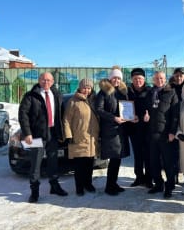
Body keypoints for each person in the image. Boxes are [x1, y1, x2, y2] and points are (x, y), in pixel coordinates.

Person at [18, 72, 68, 203]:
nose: (46, 82)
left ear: (52, 82)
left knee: (53, 161)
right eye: (44, 80)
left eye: (49, 80)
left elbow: (61, 114)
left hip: (53, 133)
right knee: (35, 164)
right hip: (36, 135)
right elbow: (23, 115)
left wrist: (63, 132)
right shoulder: (31, 96)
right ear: (39, 80)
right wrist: (27, 133)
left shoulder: (56, 94)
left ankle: (54, 186)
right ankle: (34, 192)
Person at [95, 67, 131, 196]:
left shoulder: (122, 91)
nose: (116, 80)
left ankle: (113, 183)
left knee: (118, 158)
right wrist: (113, 118)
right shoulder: (104, 92)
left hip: (121, 130)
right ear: (110, 78)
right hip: (110, 130)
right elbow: (98, 109)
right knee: (114, 158)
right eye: (114, 78)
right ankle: (109, 186)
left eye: (119, 78)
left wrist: (131, 117)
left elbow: (127, 108)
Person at [144, 71, 179, 199]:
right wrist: (145, 116)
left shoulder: (171, 93)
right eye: (157, 78)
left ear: (165, 80)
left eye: (162, 78)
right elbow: (145, 110)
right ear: (153, 80)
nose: (159, 80)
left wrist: (172, 132)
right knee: (154, 162)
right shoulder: (149, 93)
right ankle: (158, 184)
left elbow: (175, 115)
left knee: (168, 162)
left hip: (166, 134)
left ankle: (169, 186)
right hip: (152, 133)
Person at [63, 78, 99, 196]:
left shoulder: (94, 100)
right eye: (84, 87)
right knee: (79, 166)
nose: (86, 90)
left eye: (89, 88)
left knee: (90, 164)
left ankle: (88, 184)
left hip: (92, 138)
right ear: (79, 88)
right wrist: (68, 135)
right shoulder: (73, 101)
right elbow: (67, 120)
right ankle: (79, 187)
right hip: (79, 137)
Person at [127, 67, 153, 188]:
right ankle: (138, 177)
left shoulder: (150, 91)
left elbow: (154, 107)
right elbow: (123, 108)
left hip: (147, 128)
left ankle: (148, 178)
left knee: (148, 154)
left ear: (144, 79)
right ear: (132, 79)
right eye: (135, 79)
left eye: (140, 79)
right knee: (137, 154)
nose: (138, 81)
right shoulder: (127, 91)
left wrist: (148, 116)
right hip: (133, 128)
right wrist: (130, 117)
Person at [168, 67, 184, 189]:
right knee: (174, 152)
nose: (179, 77)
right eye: (176, 75)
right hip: (174, 123)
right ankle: (175, 175)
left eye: (181, 75)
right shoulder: (170, 88)